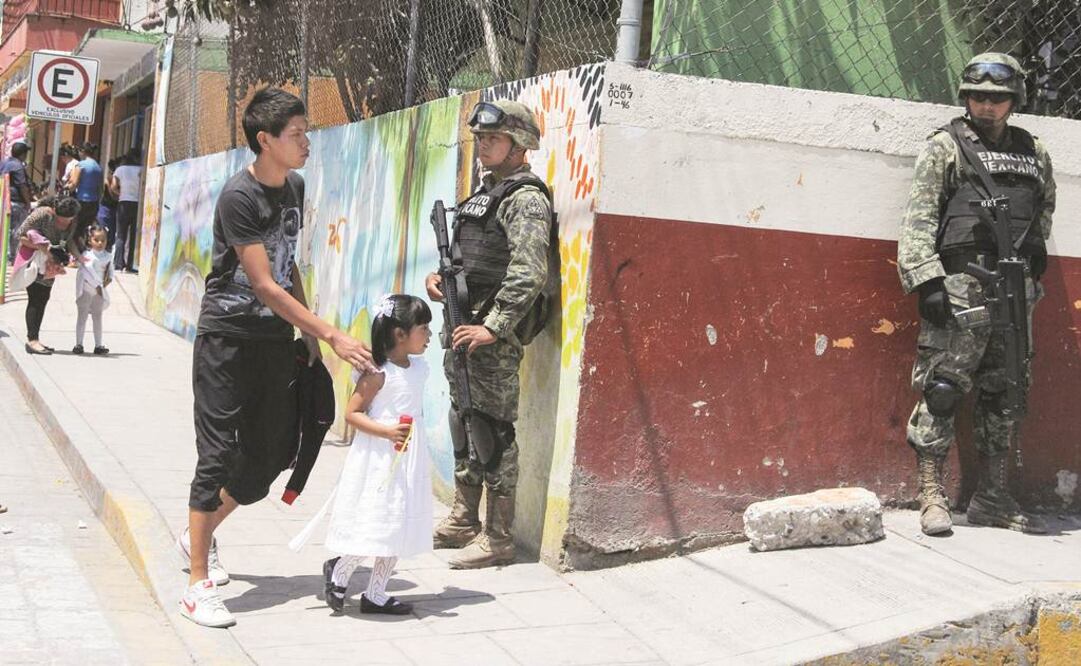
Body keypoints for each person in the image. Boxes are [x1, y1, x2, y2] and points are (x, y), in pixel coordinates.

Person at [176, 87, 375, 629]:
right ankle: (197, 583)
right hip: (227, 339)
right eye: (296, 134)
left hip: (274, 344)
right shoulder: (239, 198)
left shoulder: (295, 186)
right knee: (217, 455)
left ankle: (202, 528)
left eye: (306, 132)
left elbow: (289, 267)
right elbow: (262, 284)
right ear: (265, 141)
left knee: (266, 460)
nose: (307, 142)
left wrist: (307, 336)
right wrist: (330, 332)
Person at [898, 52, 1055, 537]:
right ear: (966, 97)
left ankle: (993, 496)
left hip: (1014, 290)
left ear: (1014, 101)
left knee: (1005, 392)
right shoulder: (945, 146)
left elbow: (1043, 209)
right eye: (979, 96)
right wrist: (926, 281)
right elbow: (920, 217)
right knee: (944, 389)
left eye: (998, 98)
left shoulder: (1034, 151)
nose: (988, 106)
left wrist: (1033, 263)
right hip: (960, 285)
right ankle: (931, 495)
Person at [425, 99, 556, 569]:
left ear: (520, 145)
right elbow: (470, 260)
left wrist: (493, 328)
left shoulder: (525, 200)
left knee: (493, 432)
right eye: (480, 138)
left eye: (493, 139)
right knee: (463, 420)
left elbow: (528, 272)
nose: (483, 146)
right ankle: (464, 518)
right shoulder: (481, 194)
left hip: (489, 338)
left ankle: (499, 537)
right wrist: (437, 281)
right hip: (461, 328)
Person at [318, 294, 433, 616]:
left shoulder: (420, 368)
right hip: (380, 458)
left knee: (397, 525)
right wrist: (386, 431)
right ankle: (340, 572)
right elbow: (352, 414)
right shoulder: (378, 374)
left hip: (408, 456)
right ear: (400, 334)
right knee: (376, 522)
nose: (429, 336)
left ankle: (376, 593)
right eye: (423, 329)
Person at [13, 196, 81, 355]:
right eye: (60, 220)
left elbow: (68, 240)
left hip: (50, 264)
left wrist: (77, 255)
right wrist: (44, 249)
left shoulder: (73, 222)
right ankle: (32, 340)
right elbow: (20, 236)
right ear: (54, 211)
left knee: (43, 297)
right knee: (36, 297)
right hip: (33, 260)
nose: (63, 225)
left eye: (67, 221)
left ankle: (35, 339)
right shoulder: (42, 214)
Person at [73, 225, 113, 356]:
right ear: (90, 240)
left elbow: (110, 272)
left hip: (99, 291)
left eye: (103, 240)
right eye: (97, 240)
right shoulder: (86, 255)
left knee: (98, 317)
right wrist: (97, 284)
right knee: (82, 317)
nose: (100, 243)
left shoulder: (108, 256)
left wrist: (108, 280)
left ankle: (98, 345)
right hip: (86, 289)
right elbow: (85, 272)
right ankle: (79, 344)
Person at [66, 142, 103, 253]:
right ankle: (85, 251)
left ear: (82, 152)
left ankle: (75, 254)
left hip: (81, 201)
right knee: (87, 229)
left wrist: (66, 187)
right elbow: (100, 189)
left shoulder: (81, 165)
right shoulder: (98, 167)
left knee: (75, 230)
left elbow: (74, 184)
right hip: (94, 202)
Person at [111, 149, 143, 272]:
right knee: (134, 235)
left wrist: (121, 194)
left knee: (121, 234)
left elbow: (113, 187)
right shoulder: (141, 170)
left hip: (123, 203)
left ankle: (118, 263)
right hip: (137, 204)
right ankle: (130, 264)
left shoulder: (120, 169)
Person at [3, 141, 33, 263]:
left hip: (4, 201)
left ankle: (4, 255)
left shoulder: (4, 164)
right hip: (16, 203)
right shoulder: (18, 166)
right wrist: (28, 202)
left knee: (5, 229)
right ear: (22, 154)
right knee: (16, 230)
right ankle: (11, 257)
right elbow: (22, 186)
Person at [97, 157, 121, 249]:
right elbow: (112, 193)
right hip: (107, 207)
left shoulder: (116, 178)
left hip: (112, 208)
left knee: (111, 230)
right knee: (105, 229)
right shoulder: (110, 178)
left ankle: (107, 247)